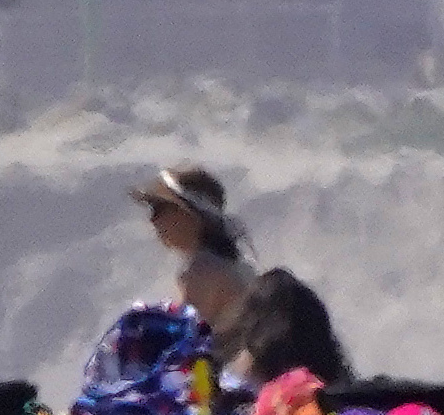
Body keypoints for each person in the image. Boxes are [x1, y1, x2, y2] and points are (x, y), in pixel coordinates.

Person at [131, 165, 350, 390]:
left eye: (160, 209)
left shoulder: (202, 272)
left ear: (190, 213)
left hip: (231, 387)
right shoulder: (232, 264)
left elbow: (184, 346)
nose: (153, 220)